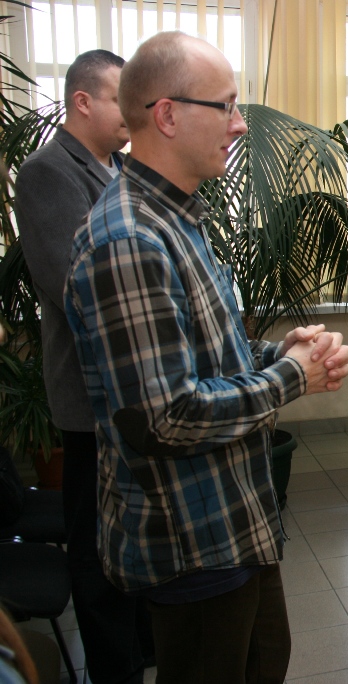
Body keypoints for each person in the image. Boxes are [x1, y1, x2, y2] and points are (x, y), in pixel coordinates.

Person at [64, 32, 348, 684]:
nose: (241, 123)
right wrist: (290, 378)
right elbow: (165, 415)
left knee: (264, 661)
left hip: (233, 523)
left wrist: (280, 352)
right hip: (192, 541)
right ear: (167, 115)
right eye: (224, 106)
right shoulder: (129, 239)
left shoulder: (177, 217)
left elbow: (207, 351)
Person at [15, 49, 154, 684]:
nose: (131, 111)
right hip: (91, 396)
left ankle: (142, 650)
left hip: (137, 392)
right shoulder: (48, 172)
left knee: (136, 538)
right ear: (82, 102)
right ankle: (113, 670)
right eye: (119, 99)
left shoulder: (122, 167)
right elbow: (72, 282)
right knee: (98, 550)